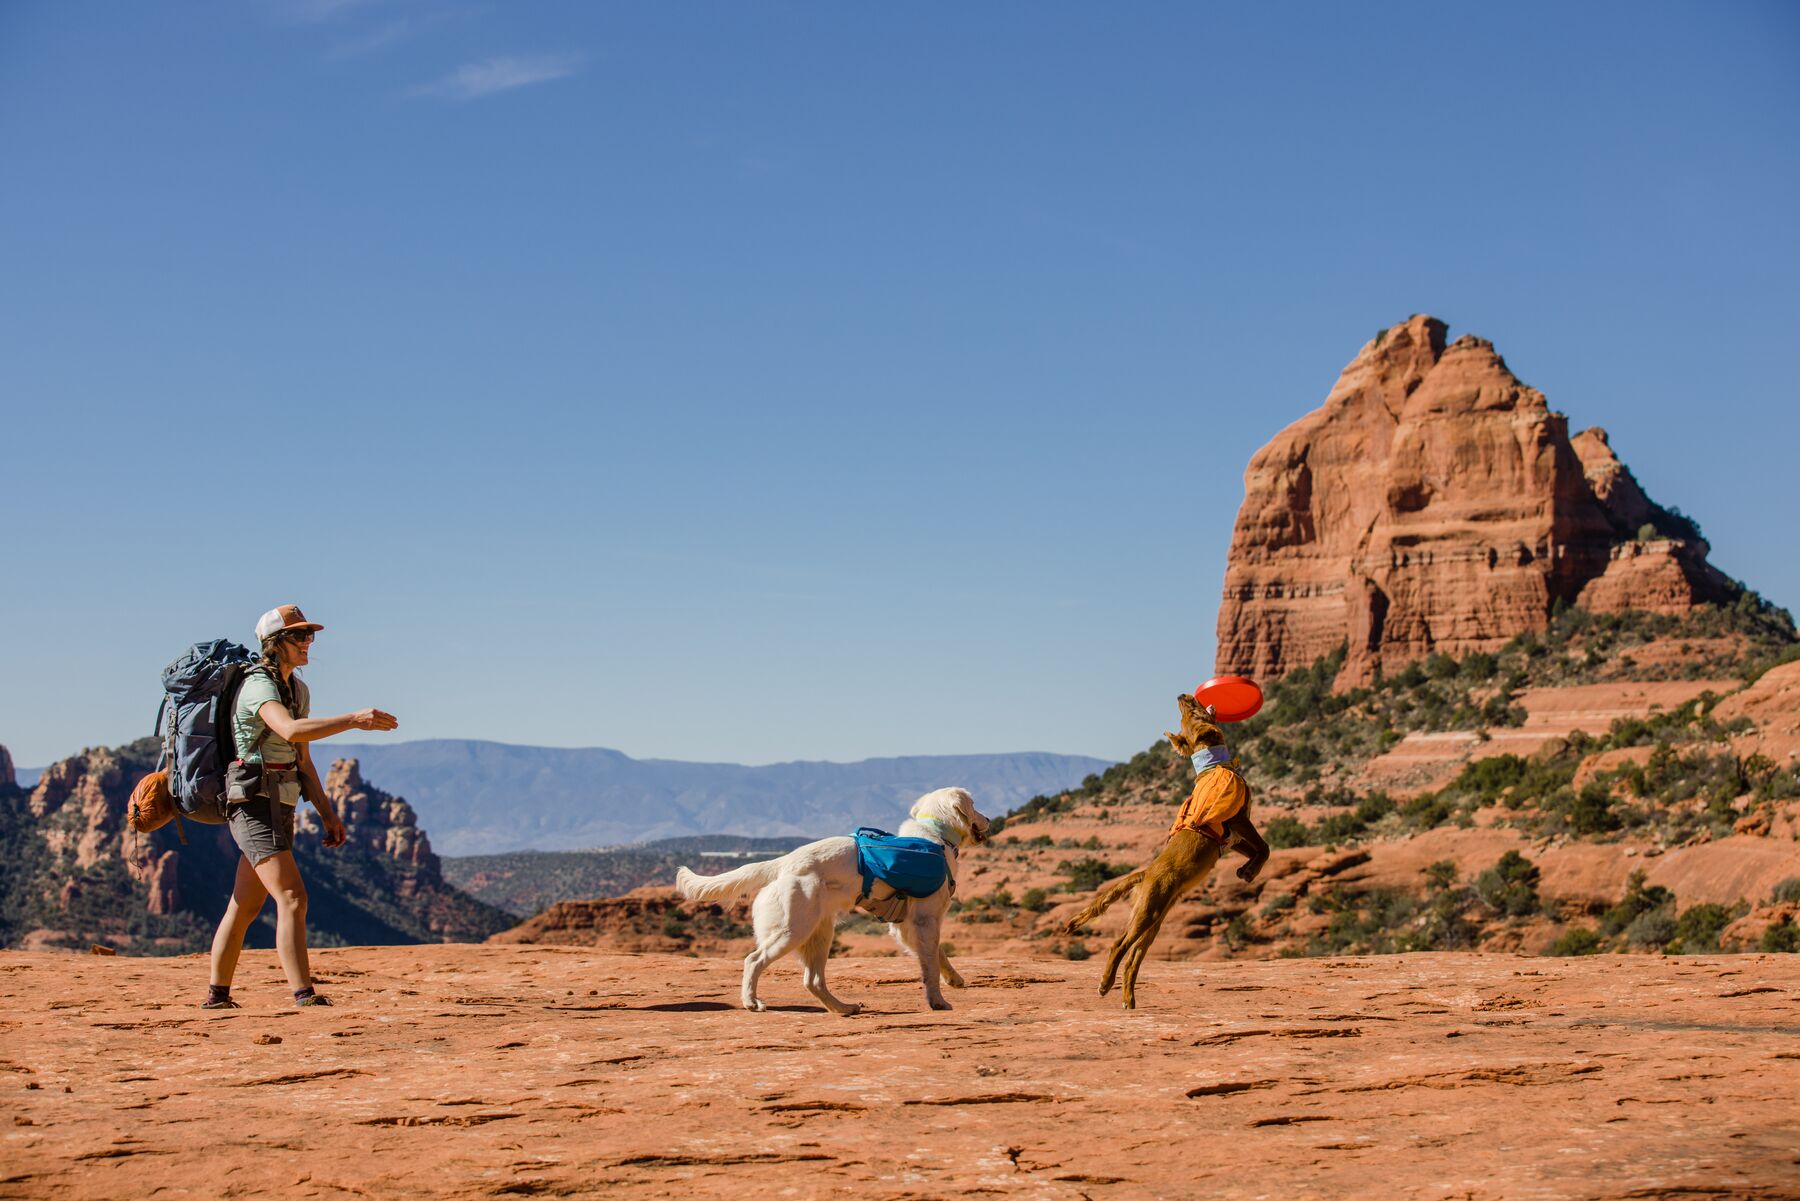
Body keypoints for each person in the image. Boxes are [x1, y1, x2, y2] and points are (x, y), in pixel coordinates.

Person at [203, 605, 398, 1009]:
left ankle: (217, 995)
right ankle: (303, 993)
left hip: (282, 801)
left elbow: (302, 759)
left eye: (310, 635)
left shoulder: (298, 690)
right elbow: (289, 729)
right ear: (274, 644)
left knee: (244, 905)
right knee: (293, 897)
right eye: (299, 636)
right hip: (253, 803)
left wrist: (327, 813)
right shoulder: (259, 686)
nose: (308, 642)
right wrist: (353, 719)